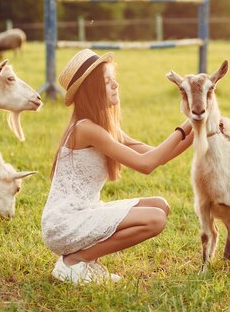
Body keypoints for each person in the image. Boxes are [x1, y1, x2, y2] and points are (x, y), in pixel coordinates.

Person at [42, 49, 194, 285]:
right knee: (155, 219)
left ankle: (82, 262)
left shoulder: (103, 127)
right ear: (91, 90)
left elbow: (156, 155)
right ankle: (74, 262)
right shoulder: (86, 129)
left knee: (161, 206)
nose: (115, 85)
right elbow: (146, 165)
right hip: (64, 223)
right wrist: (185, 126)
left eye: (114, 79)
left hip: (82, 213)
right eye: (107, 81)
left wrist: (198, 128)